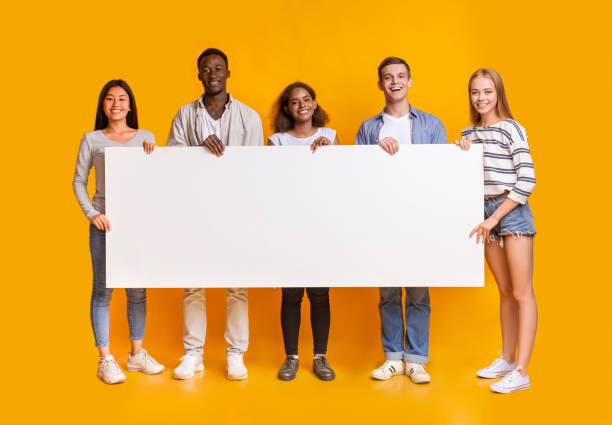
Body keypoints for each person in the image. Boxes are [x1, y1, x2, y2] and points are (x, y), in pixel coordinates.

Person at [168, 48, 264, 381]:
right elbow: (172, 162)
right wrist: (199, 149)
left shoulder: (249, 117)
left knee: (237, 284)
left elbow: (255, 169)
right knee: (193, 283)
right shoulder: (184, 114)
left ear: (228, 73)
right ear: (199, 75)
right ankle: (193, 355)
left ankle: (236, 354)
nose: (213, 73)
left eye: (218, 68)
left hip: (236, 212)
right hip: (196, 211)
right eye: (206, 69)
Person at [355, 57, 447, 384]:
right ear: (380, 84)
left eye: (401, 76)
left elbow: (442, 172)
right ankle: (392, 358)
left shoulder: (432, 125)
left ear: (410, 81)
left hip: (419, 220)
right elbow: (358, 176)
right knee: (389, 292)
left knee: (419, 292)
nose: (395, 82)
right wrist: (374, 153)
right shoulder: (368, 129)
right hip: (383, 220)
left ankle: (417, 360)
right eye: (388, 77)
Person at [73, 79, 164, 384]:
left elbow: (156, 181)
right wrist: (93, 213)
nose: (116, 104)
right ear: (103, 105)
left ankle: (137, 355)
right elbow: (78, 181)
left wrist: (154, 156)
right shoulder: (92, 139)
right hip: (105, 226)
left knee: (137, 292)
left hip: (136, 228)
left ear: (130, 104)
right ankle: (106, 359)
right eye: (110, 99)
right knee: (103, 292)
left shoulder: (146, 137)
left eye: (122, 99)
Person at [455, 68, 537, 393]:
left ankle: (522, 370)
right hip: (483, 210)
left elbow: (527, 180)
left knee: (521, 292)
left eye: (487, 91)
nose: (481, 98)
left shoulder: (512, 129)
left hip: (511, 210)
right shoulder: (468, 132)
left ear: (498, 93)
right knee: (504, 291)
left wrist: (494, 219)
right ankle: (506, 357)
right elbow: (465, 178)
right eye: (475, 92)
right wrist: (460, 153)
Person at [267, 82, 339, 381]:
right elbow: (271, 184)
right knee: (291, 295)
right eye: (294, 102)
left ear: (314, 103)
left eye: (306, 99)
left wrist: (329, 153)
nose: (301, 106)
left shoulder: (331, 137)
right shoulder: (276, 141)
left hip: (321, 226)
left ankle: (320, 357)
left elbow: (340, 179)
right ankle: (291, 357)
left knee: (320, 295)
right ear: (287, 109)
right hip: (289, 227)